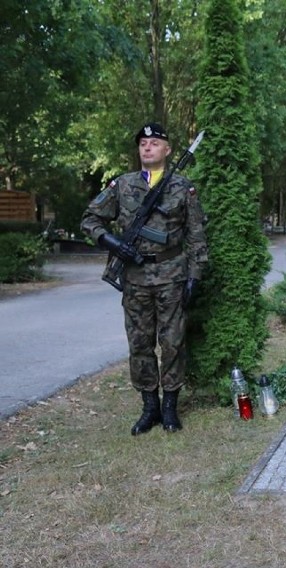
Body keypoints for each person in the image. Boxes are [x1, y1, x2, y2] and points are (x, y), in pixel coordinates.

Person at [81, 123, 208, 436]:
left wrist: (195, 274)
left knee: (173, 343)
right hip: (135, 278)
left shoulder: (182, 186)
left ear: (167, 150)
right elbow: (90, 220)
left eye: (154, 143)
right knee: (139, 343)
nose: (147, 147)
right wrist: (113, 243)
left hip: (172, 276)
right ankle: (149, 406)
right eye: (143, 143)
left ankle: (170, 408)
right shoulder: (122, 185)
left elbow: (196, 234)